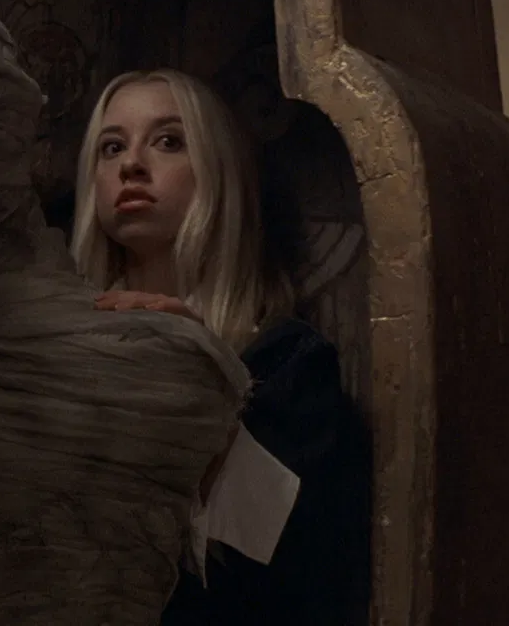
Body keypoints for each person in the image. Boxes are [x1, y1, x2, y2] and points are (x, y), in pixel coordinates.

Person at [70, 68, 371, 625]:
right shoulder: (57, 343)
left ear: (219, 171)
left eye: (168, 141)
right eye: (111, 147)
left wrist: (203, 395)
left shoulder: (286, 365)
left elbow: (305, 566)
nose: (131, 164)